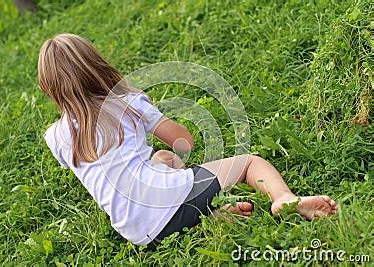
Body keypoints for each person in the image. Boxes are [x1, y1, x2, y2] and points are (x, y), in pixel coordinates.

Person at [39, 33, 338, 249]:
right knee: (249, 164)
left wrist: (168, 164)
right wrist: (179, 158)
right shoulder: (127, 103)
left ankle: (211, 217)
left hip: (140, 233)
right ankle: (284, 199)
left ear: (51, 88)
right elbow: (183, 140)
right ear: (97, 65)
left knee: (159, 162)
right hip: (167, 198)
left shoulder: (55, 137)